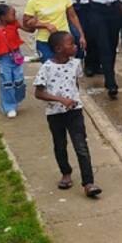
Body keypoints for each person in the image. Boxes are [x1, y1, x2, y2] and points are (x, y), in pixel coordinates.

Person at [33, 31, 102, 198]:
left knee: (81, 146)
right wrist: (61, 100)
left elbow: (75, 83)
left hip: (74, 112)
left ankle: (88, 182)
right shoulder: (47, 68)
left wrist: (73, 100)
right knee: (60, 145)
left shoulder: (75, 64)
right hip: (55, 113)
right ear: (58, 48)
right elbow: (38, 93)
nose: (74, 46)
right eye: (70, 44)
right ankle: (66, 172)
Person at [81, 0, 121, 97]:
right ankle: (111, 82)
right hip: (98, 11)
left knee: (112, 44)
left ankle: (109, 73)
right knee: (103, 45)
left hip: (113, 11)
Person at [0, 4, 28, 118]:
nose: (15, 16)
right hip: (3, 60)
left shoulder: (15, 24)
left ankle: (17, 98)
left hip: (16, 56)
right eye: (12, 14)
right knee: (7, 83)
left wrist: (29, 22)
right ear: (3, 17)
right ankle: (9, 106)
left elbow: (29, 29)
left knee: (19, 80)